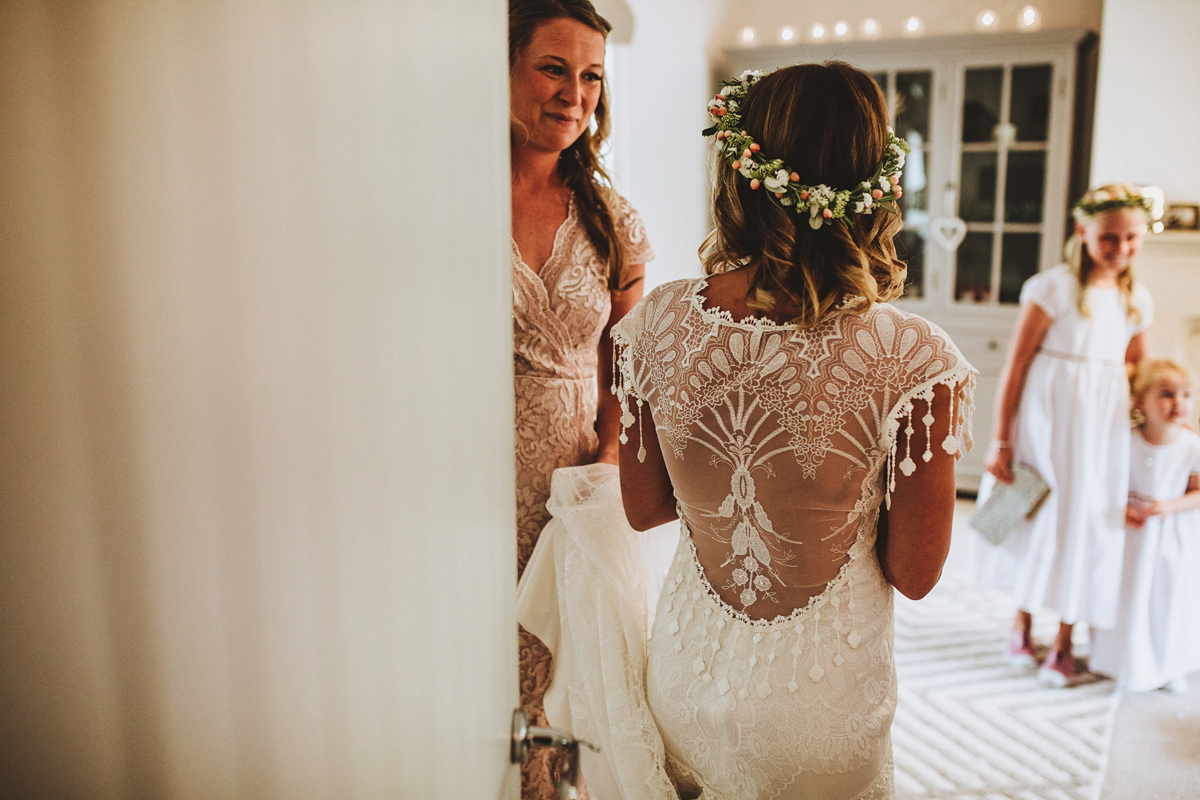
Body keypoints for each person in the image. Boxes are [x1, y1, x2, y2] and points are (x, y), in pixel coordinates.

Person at [613, 62, 975, 800]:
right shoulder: (914, 360)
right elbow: (916, 572)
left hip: (685, 680)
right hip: (822, 707)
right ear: (877, 181)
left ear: (737, 170)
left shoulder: (654, 325)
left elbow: (644, 508)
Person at [508, 0, 653, 797]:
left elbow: (628, 370)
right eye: (553, 68)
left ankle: (545, 789)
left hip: (570, 480)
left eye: (592, 76)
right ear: (503, 68)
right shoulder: (453, 199)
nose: (575, 94)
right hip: (462, 472)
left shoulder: (610, 218)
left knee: (560, 666)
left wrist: (604, 465)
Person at [972, 184, 1155, 688]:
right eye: (1109, 237)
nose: (1120, 248)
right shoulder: (1050, 288)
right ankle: (1023, 621)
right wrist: (1000, 441)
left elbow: (1138, 367)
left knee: (1088, 523)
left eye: (1132, 238)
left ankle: (1065, 638)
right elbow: (1015, 367)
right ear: (1084, 232)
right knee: (1038, 518)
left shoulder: (1136, 298)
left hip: (1102, 428)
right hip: (1046, 421)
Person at [1090, 359, 1200, 693]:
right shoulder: (1126, 440)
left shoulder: (1191, 445)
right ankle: (1114, 658)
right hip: (1128, 535)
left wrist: (1169, 506)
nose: (1178, 403)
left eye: (1186, 394)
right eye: (1166, 394)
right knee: (1121, 594)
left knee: (1166, 599)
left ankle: (1168, 663)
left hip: (1169, 537)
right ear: (1140, 402)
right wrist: (1121, 507)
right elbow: (1103, 482)